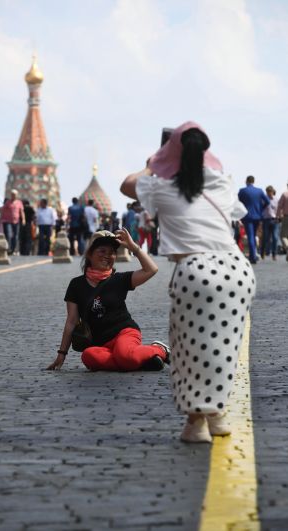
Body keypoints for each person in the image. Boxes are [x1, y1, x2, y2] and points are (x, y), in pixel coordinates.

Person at [120, 121, 256, 443]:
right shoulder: (222, 183)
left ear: (171, 154)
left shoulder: (161, 187)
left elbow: (127, 184)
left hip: (196, 270)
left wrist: (155, 162)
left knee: (188, 349)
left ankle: (196, 422)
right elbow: (239, 211)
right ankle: (218, 416)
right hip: (238, 270)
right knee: (224, 346)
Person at [46, 229, 170, 372]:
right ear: (89, 254)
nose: (107, 256)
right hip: (101, 344)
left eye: (111, 252)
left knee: (124, 355)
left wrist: (132, 247)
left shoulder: (120, 280)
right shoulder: (76, 285)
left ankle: (159, 350)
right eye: (102, 251)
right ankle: (140, 360)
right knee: (88, 356)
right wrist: (62, 354)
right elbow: (72, 321)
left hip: (125, 333)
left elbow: (151, 270)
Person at [238, 176, 270, 264]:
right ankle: (253, 255)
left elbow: (237, 203)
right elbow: (268, 201)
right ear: (253, 181)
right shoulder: (259, 191)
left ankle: (253, 257)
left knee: (251, 236)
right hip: (257, 216)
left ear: (246, 181)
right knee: (254, 235)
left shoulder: (242, 191)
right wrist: (261, 209)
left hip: (247, 217)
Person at [3, 189, 26, 255]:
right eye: (12, 195)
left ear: (17, 195)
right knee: (9, 235)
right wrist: (1, 219)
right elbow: (3, 210)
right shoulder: (8, 202)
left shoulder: (19, 202)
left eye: (15, 195)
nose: (13, 196)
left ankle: (13, 249)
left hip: (16, 221)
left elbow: (21, 211)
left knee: (15, 236)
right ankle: (9, 248)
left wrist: (23, 219)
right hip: (8, 221)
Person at [260, 186, 279, 261]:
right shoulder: (264, 199)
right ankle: (262, 253)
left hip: (274, 220)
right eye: (268, 192)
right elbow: (261, 209)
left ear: (272, 191)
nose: (269, 194)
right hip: (266, 220)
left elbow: (278, 208)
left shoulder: (276, 199)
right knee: (265, 237)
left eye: (270, 192)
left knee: (275, 237)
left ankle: (274, 254)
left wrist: (279, 216)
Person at [277, 183, 288, 261]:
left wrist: (278, 216)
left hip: (286, 217)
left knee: (283, 236)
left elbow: (279, 206)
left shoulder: (284, 194)